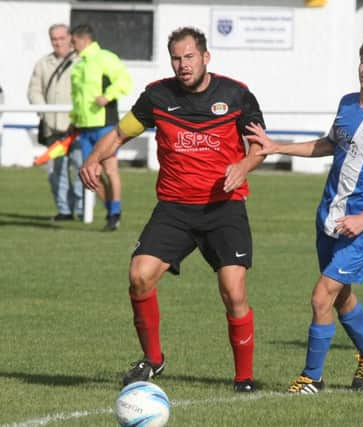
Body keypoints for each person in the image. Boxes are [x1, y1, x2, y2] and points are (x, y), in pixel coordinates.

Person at [79, 27, 266, 392]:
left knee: (233, 291)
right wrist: (93, 159)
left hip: (223, 208)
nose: (183, 65)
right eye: (177, 58)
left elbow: (260, 145)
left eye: (189, 57)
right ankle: (153, 360)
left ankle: (244, 379)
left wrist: (243, 166)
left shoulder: (236, 95)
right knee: (139, 275)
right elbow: (119, 134)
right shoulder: (157, 97)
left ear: (205, 57)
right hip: (175, 208)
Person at [246, 32, 363, 394]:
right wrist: (277, 146)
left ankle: (312, 377)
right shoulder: (347, 104)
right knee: (340, 295)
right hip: (329, 216)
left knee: (321, 296)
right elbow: (329, 144)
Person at [70, 24, 132, 230]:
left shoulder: (105, 57)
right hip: (84, 127)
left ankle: (115, 212)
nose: (72, 45)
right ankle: (111, 211)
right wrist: (74, 120)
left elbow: (124, 81)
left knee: (110, 170)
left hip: (105, 124)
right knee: (89, 172)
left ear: (84, 39)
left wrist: (108, 96)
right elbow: (78, 99)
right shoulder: (78, 65)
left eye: (73, 41)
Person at [27, 23, 82, 221]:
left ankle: (82, 209)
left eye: (61, 38)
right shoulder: (43, 63)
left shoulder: (81, 61)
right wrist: (45, 113)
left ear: (70, 38)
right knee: (56, 171)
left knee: (79, 167)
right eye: (54, 39)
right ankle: (64, 210)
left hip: (76, 128)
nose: (57, 42)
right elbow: (34, 90)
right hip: (53, 128)